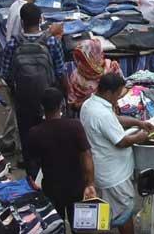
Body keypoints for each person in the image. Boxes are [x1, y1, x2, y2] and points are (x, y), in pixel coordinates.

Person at [80, 72, 145, 233]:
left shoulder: (90, 104)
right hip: (114, 176)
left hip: (101, 171)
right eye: (117, 94)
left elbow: (115, 118)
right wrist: (141, 136)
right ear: (109, 92)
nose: (118, 98)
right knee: (124, 215)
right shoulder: (101, 113)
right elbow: (122, 142)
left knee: (107, 212)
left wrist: (139, 122)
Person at [20, 88, 93, 224]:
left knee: (55, 224)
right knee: (80, 225)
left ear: (42, 107)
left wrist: (33, 181)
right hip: (76, 186)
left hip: (51, 187)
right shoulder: (75, 126)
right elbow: (87, 155)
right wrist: (90, 183)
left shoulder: (35, 133)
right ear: (62, 105)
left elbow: (31, 163)